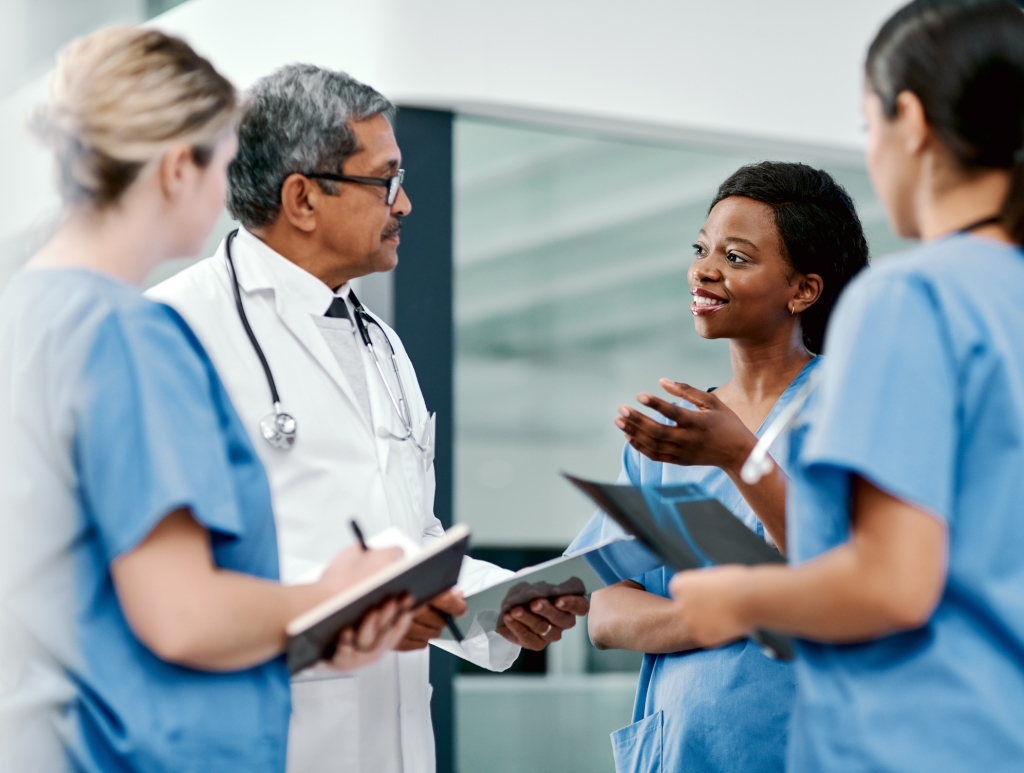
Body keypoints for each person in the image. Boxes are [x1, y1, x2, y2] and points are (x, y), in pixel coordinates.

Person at [147, 64, 589, 773]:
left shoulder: (381, 344)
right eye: (384, 181)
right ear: (302, 198)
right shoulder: (171, 331)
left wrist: (489, 604)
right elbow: (166, 579)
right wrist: (356, 605)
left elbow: (413, 542)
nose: (405, 203)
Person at [0, 27, 414, 773]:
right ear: (175, 167)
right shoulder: (128, 333)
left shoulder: (26, 315)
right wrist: (331, 597)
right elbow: (182, 614)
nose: (232, 190)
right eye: (222, 162)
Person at [665, 1, 1024, 771]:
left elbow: (893, 584)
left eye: (869, 126)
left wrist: (736, 599)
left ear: (911, 121)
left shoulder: (913, 300)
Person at [568, 161, 868, 773]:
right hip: (681, 751)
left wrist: (738, 458)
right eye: (702, 250)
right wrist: (729, 612)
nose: (704, 270)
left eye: (736, 257)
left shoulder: (853, 410)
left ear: (802, 290)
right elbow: (606, 612)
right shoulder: (672, 434)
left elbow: (843, 581)